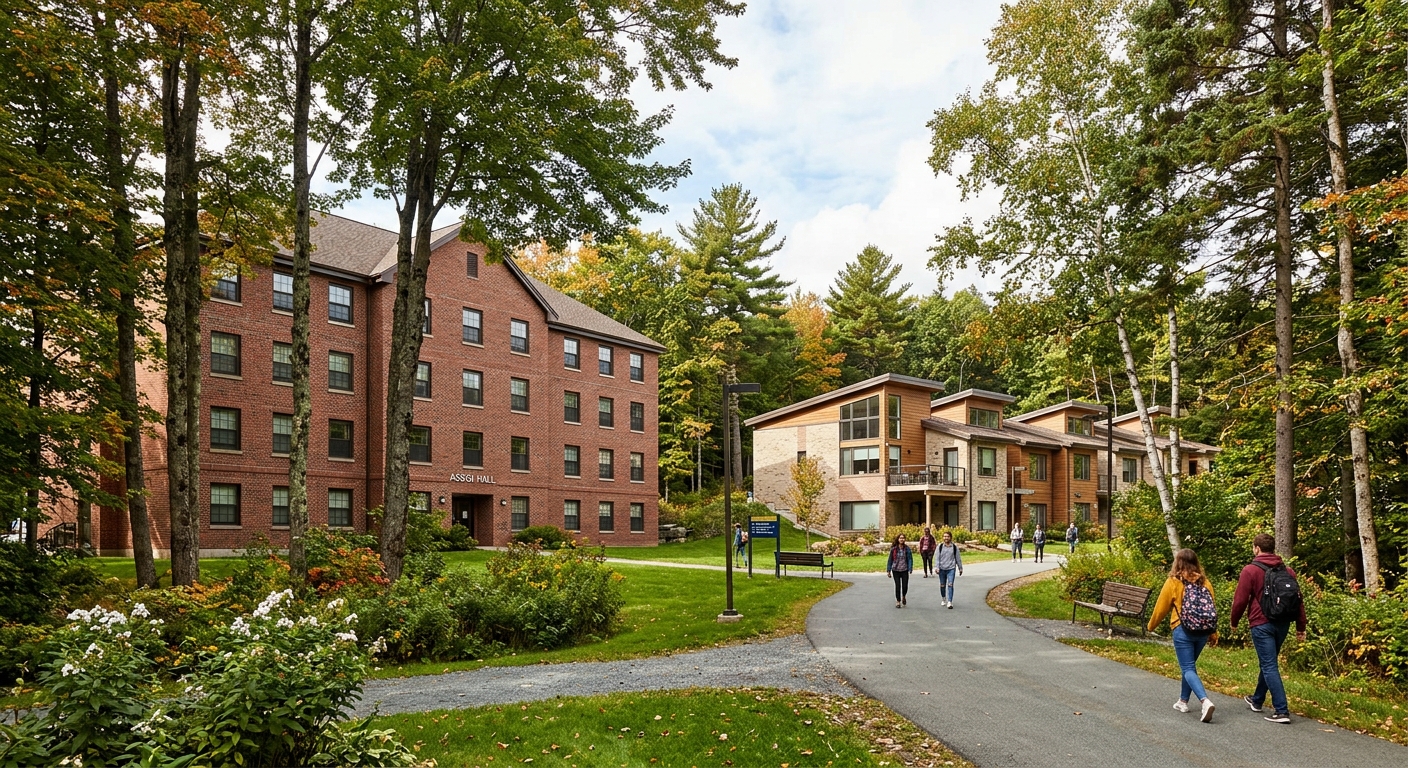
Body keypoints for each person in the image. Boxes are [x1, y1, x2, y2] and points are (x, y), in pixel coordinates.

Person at [1231, 533, 1307, 725]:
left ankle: (1281, 710)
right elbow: (1298, 600)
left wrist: (1234, 621)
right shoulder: (1288, 571)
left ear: (1257, 548)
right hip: (1283, 623)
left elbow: (1240, 600)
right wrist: (1300, 627)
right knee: (1269, 662)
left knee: (1269, 664)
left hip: (1261, 623)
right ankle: (1257, 700)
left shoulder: (1250, 570)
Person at [1148, 548, 1220, 723]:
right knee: (1190, 667)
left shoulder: (1174, 581)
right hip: (1203, 631)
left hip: (1183, 629)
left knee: (1188, 668)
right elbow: (1211, 610)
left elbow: (1161, 607)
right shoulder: (1205, 582)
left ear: (1177, 562)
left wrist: (1151, 626)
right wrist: (1213, 633)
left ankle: (1205, 701)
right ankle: (1183, 701)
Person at [934, 530, 964, 608]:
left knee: (950, 584)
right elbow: (937, 558)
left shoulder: (954, 547)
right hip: (942, 568)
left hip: (951, 568)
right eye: (944, 536)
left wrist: (960, 568)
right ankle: (944, 599)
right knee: (942, 585)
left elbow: (958, 558)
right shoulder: (940, 547)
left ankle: (950, 601)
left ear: (950, 538)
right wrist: (937, 567)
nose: (946, 538)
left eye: (947, 536)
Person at [887, 533, 913, 608]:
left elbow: (910, 559)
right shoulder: (894, 549)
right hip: (896, 569)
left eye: (903, 538)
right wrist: (888, 570)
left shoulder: (907, 549)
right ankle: (898, 601)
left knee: (905, 586)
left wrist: (910, 568)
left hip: (904, 569)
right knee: (897, 586)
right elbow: (890, 560)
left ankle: (904, 596)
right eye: (900, 538)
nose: (902, 539)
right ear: (898, 539)